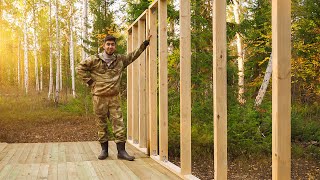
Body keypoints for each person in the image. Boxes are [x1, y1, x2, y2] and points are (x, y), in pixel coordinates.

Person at [76, 34, 151, 161]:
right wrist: (90, 82)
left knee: (119, 123)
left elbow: (133, 56)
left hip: (114, 98)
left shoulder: (120, 59)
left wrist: (144, 45)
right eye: (108, 44)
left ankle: (121, 151)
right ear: (104, 45)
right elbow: (79, 68)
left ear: (115, 46)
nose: (110, 46)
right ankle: (104, 150)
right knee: (101, 123)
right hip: (99, 97)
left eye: (112, 44)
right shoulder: (94, 60)